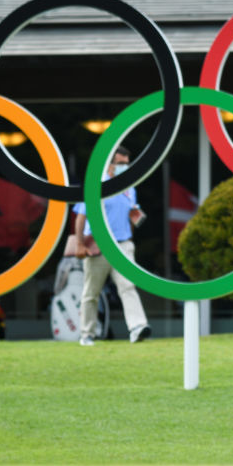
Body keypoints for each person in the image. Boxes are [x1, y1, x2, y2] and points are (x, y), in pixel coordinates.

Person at [72, 146, 151, 347]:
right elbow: (81, 216)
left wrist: (135, 219)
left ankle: (137, 327)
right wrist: (80, 243)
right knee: (91, 292)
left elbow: (133, 213)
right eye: (120, 164)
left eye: (126, 163)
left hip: (123, 244)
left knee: (128, 286)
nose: (125, 167)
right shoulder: (96, 185)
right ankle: (87, 333)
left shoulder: (128, 187)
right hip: (98, 245)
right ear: (109, 164)